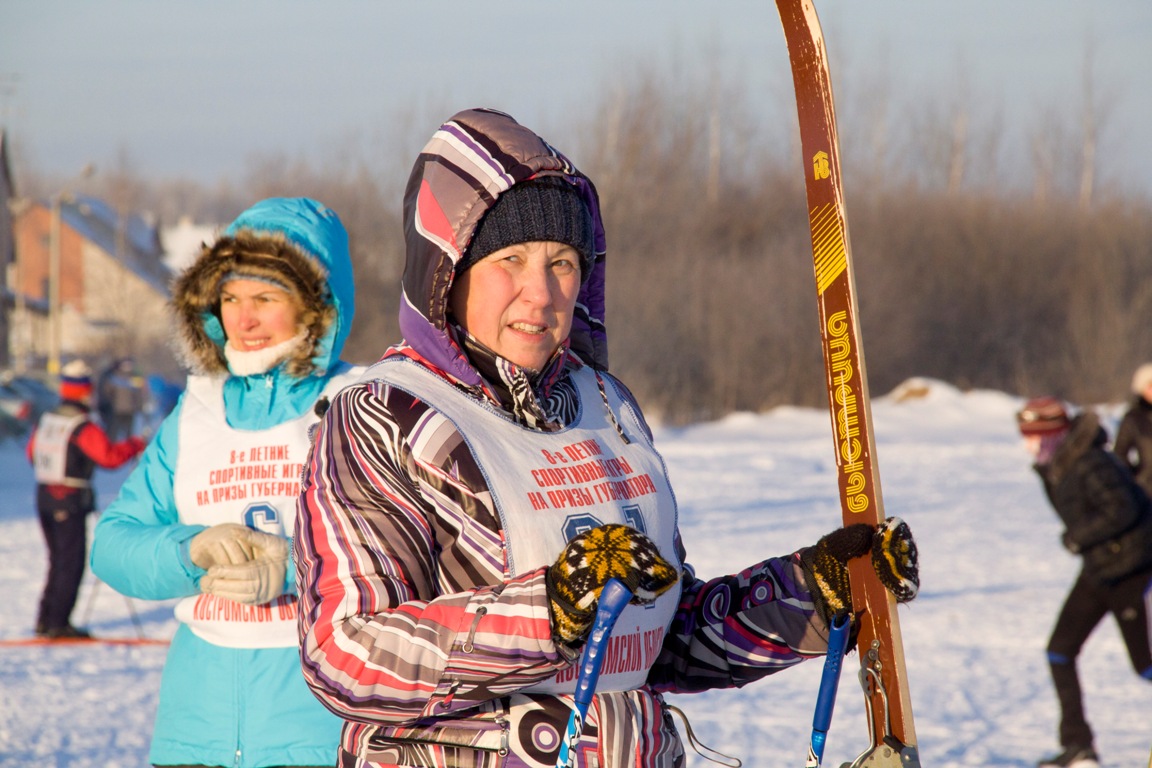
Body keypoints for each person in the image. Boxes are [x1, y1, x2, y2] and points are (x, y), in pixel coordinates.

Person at [294, 108, 921, 768]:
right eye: (510, 259)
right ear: (446, 270)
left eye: (561, 262)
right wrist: (550, 612)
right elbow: (347, 654)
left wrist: (810, 594)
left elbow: (664, 639)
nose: (540, 294)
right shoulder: (385, 416)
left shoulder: (602, 406)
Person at [90, 198, 363, 768]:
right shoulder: (195, 410)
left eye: (266, 299)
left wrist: (296, 566)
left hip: (319, 728)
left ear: (318, 306)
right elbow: (113, 544)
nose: (243, 320)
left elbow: (407, 557)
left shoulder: (357, 406)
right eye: (232, 299)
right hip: (194, 734)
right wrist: (190, 548)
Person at [1016, 395, 1152, 768]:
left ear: (1054, 435)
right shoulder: (1059, 465)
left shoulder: (1091, 462)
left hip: (1131, 570)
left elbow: (1124, 508)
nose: (1028, 444)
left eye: (1034, 436)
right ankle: (1079, 748)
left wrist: (1080, 536)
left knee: (1146, 665)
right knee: (1060, 650)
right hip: (1098, 571)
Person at [26, 359, 145, 639]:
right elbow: (109, 457)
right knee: (71, 562)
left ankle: (46, 620)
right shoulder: (81, 425)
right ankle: (58, 624)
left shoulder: (47, 419)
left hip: (44, 495)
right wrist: (136, 444)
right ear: (83, 392)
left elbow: (31, 453)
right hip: (69, 499)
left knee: (57, 560)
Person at [1113, 363, 1152, 497]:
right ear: (1141, 388)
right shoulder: (1133, 419)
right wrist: (1137, 477)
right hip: (1147, 493)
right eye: (1151, 385)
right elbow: (1119, 453)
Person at [97, 357, 145, 440]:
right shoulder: (132, 377)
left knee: (120, 435)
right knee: (117, 435)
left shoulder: (114, 377)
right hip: (118, 411)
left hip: (124, 410)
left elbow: (139, 394)